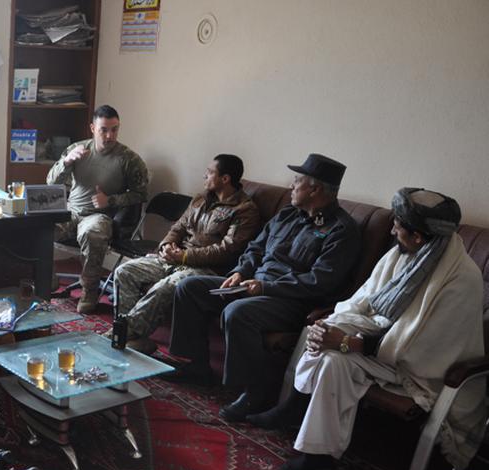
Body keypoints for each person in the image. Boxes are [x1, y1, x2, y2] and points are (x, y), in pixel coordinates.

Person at [248, 188, 485, 470]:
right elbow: (365, 300)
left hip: (422, 372)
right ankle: (315, 446)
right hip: (383, 349)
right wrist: (331, 326)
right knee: (329, 349)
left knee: (335, 353)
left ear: (419, 237)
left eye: (398, 225)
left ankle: (298, 415)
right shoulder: (405, 253)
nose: (393, 229)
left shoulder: (462, 280)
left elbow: (424, 348)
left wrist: (346, 341)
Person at [169, 153, 362, 422]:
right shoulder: (287, 215)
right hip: (252, 284)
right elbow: (255, 248)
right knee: (190, 287)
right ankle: (198, 366)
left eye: (297, 181)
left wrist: (265, 287)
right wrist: (240, 271)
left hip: (291, 301)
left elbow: (319, 282)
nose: (292, 186)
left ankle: (255, 392)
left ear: (315, 189)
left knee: (238, 312)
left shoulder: (341, 231)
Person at [112, 154, 260, 354]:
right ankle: (133, 335)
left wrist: (184, 256)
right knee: (124, 272)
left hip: (205, 269)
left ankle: (124, 332)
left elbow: (226, 250)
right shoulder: (200, 199)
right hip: (173, 258)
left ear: (225, 179)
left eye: (209, 173)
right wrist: (166, 246)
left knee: (164, 287)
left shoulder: (245, 211)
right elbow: (178, 227)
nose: (204, 176)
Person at [47, 104, 149, 313]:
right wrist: (66, 162)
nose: (110, 135)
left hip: (99, 216)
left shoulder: (129, 159)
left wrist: (110, 201)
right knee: (41, 227)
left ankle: (89, 291)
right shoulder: (78, 149)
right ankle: (46, 279)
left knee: (92, 233)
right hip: (71, 210)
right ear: (93, 128)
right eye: (104, 129)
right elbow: (50, 182)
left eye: (115, 129)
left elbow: (141, 194)